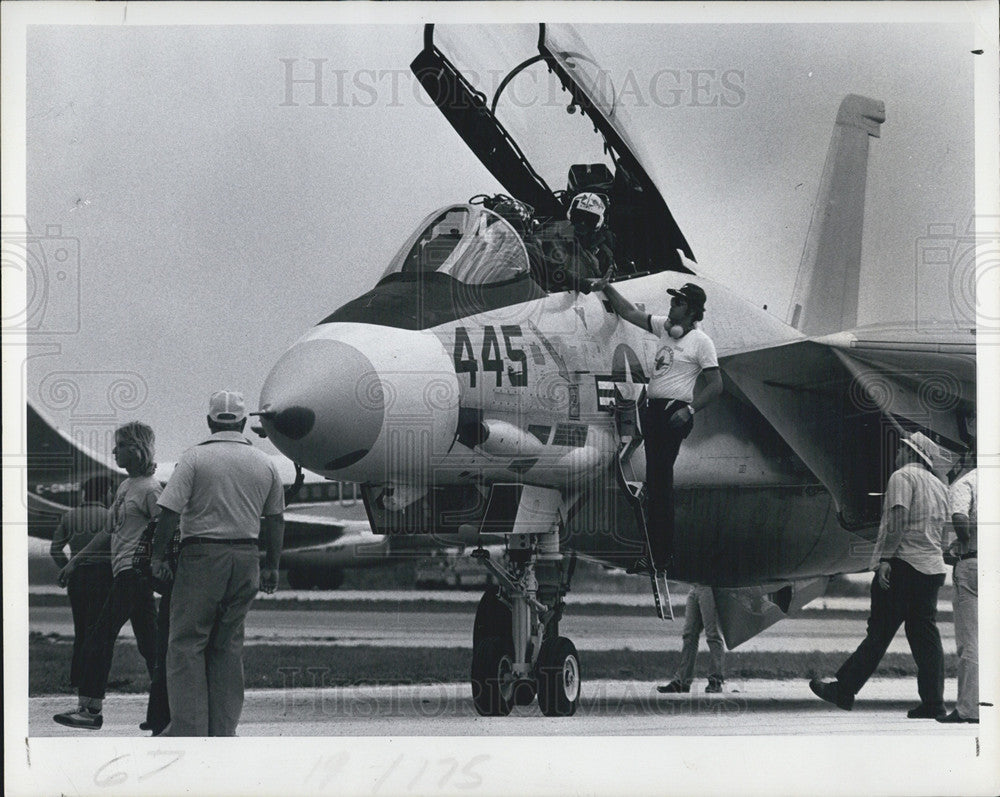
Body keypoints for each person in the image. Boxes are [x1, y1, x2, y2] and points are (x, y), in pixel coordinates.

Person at [150, 390, 285, 737]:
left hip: (202, 557)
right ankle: (223, 729)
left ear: (210, 421)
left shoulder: (195, 458)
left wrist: (158, 555)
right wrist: (271, 565)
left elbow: (169, 511)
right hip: (246, 557)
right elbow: (275, 520)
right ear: (242, 422)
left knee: (187, 644)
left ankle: (190, 729)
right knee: (227, 646)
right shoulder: (265, 462)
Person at [810, 432, 949, 717]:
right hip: (932, 568)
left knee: (880, 633)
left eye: (902, 448)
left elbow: (898, 519)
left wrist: (886, 558)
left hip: (903, 565)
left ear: (912, 454)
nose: (897, 452)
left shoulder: (902, 477)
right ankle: (934, 703)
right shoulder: (939, 485)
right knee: (926, 637)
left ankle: (843, 690)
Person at [593, 280, 723, 573]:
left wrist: (689, 410)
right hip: (654, 412)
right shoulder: (665, 328)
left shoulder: (702, 343)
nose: (671, 306)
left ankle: (659, 557)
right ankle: (655, 554)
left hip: (674, 412)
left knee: (661, 486)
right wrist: (606, 287)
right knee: (655, 484)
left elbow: (716, 386)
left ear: (690, 310)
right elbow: (628, 312)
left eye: (677, 303)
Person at [53, 423, 161, 730]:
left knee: (99, 636)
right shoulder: (127, 487)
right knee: (150, 645)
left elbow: (166, 529)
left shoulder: (151, 489)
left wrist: (155, 563)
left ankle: (90, 710)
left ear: (137, 448)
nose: (114, 451)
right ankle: (166, 709)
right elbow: (108, 531)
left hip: (134, 573)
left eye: (121, 445)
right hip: (124, 572)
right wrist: (75, 562)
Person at [49, 475, 115, 689]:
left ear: (85, 492)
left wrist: (67, 569)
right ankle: (95, 679)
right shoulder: (109, 516)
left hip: (78, 577)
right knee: (99, 629)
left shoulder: (69, 516)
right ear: (105, 492)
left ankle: (76, 677)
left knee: (81, 628)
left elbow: (55, 549)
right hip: (104, 576)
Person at [939, 455, 978, 724]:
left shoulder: (967, 482)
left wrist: (962, 543)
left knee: (970, 641)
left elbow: (959, 519)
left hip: (974, 565)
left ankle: (969, 708)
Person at [537, 192, 615, 292]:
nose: (582, 223)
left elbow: (608, 284)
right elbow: (547, 269)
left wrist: (596, 272)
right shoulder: (550, 237)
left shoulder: (603, 251)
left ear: (598, 222)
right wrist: (585, 284)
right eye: (578, 216)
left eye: (590, 219)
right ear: (571, 214)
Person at [657, 584, 725, 693]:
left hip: (709, 586)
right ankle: (682, 681)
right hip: (694, 587)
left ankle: (715, 680)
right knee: (689, 635)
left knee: (713, 634)